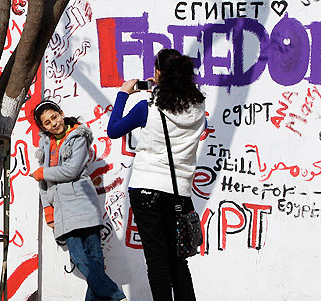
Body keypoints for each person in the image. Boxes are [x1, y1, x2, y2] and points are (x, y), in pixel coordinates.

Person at [107, 48, 206, 301]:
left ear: (159, 73)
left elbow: (114, 129)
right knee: (178, 262)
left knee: (158, 263)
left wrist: (123, 94)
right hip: (179, 193)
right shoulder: (198, 107)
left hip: (147, 190)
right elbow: (176, 109)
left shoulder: (147, 107)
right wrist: (160, 91)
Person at [29, 100, 126, 301]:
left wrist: (42, 172)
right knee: (79, 257)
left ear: (61, 113)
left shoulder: (78, 137)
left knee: (95, 260)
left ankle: (115, 295)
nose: (53, 124)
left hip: (84, 203)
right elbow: (44, 185)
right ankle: (116, 295)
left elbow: (71, 170)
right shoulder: (46, 146)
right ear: (43, 127)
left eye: (54, 117)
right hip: (63, 210)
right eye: (47, 123)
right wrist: (48, 211)